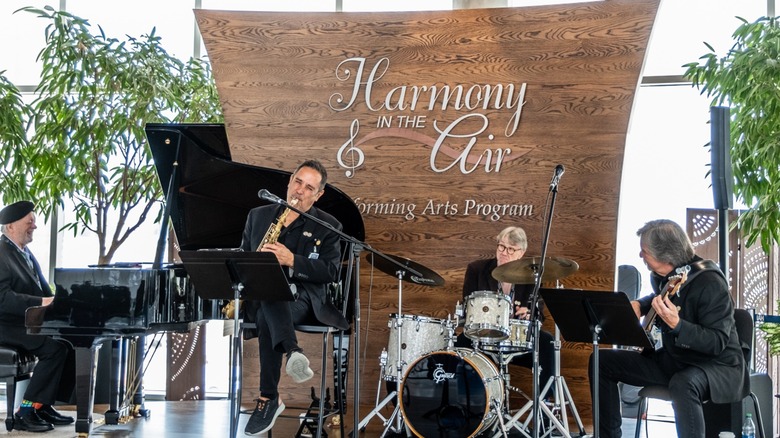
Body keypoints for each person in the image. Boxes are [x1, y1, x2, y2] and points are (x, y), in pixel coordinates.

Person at [589, 219, 749, 438]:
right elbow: (663, 296)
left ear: (664, 255)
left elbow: (716, 342)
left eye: (644, 251)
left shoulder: (710, 282)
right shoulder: (666, 276)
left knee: (684, 383)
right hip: (678, 359)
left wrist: (678, 325)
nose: (640, 256)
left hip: (717, 366)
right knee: (600, 361)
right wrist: (641, 305)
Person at [241, 159, 350, 436]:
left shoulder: (329, 225)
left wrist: (292, 260)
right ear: (290, 181)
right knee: (269, 300)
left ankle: (268, 399)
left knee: (271, 303)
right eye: (298, 182)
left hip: (304, 300)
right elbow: (243, 258)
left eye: (309, 187)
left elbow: (331, 272)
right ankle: (293, 352)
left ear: (319, 194)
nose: (300, 190)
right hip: (266, 298)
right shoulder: (258, 216)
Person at [0, 201, 75, 433]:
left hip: (26, 322)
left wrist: (62, 302)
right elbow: (2, 298)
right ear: (10, 226)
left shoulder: (24, 252)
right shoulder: (0, 252)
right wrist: (41, 303)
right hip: (6, 325)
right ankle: (25, 411)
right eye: (29, 221)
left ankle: (43, 405)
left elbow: (45, 291)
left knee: (69, 341)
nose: (35, 225)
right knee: (54, 348)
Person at [456, 226, 556, 397]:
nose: (504, 252)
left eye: (511, 249)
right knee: (460, 344)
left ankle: (544, 409)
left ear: (521, 253)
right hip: (482, 337)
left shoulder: (533, 276)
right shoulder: (477, 270)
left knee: (547, 342)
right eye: (501, 246)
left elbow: (539, 314)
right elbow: (467, 308)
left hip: (517, 340)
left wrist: (529, 315)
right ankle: (469, 409)